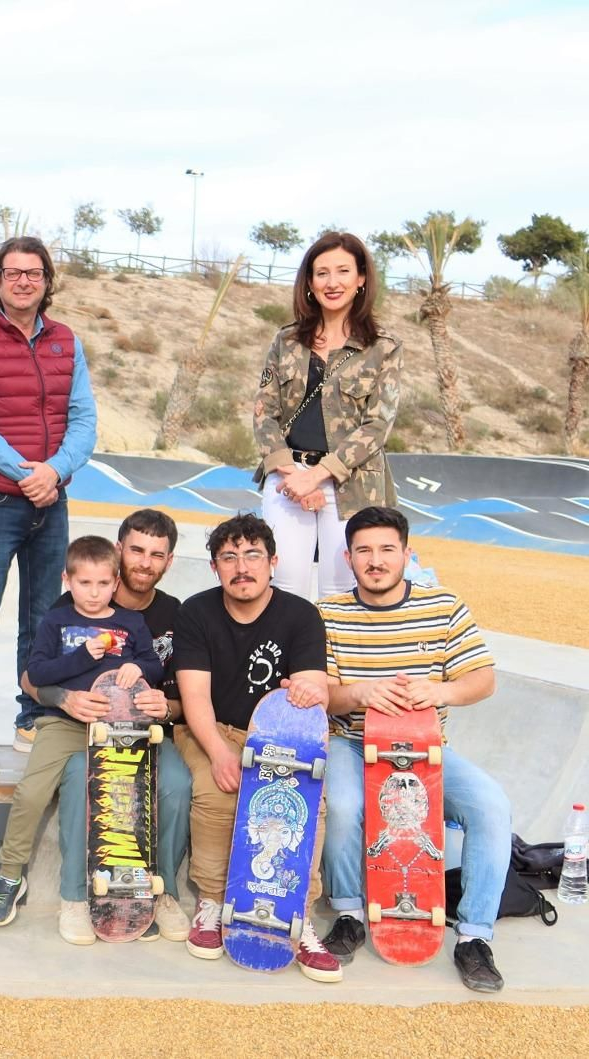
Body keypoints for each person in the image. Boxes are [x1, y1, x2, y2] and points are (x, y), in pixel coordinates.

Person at [317, 505, 508, 992]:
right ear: (348, 557)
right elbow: (325, 695)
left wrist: (440, 692)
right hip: (354, 743)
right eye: (364, 551)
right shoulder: (330, 614)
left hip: (426, 753)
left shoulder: (443, 607)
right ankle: (349, 913)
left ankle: (473, 937)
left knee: (491, 806)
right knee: (341, 805)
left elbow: (483, 679)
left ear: (406, 553)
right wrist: (357, 692)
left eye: (386, 550)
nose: (375, 560)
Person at [173, 512, 342, 982]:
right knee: (216, 791)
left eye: (252, 555)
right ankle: (210, 902)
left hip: (279, 734)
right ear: (215, 567)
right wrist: (222, 754)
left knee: (304, 806)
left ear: (273, 562)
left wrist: (311, 692)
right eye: (229, 557)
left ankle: (297, 916)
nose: (241, 566)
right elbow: (194, 701)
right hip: (213, 729)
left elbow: (313, 689)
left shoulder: (301, 614)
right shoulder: (195, 613)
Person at [15, 509, 194, 944]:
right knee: (80, 778)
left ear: (169, 562)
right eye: (136, 550)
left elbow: (184, 690)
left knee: (174, 784)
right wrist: (64, 698)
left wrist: (165, 706)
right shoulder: (70, 608)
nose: (144, 562)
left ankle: (162, 891)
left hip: (146, 729)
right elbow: (30, 676)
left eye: (156, 554)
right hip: (87, 729)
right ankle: (75, 896)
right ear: (119, 551)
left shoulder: (176, 612)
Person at [0, 236, 96, 772]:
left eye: (33, 273)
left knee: (42, 620)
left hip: (50, 503)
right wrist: (27, 474)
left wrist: (55, 471)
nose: (22, 281)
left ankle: (31, 715)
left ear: (46, 281)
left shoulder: (67, 342)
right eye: (12, 273)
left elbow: (83, 419)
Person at [0, 536, 161, 934]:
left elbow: (155, 665)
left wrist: (140, 669)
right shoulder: (56, 622)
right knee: (31, 793)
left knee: (126, 801)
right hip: (62, 725)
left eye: (102, 584)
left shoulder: (131, 624)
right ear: (67, 580)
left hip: (118, 729)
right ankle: (10, 874)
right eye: (84, 583)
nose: (94, 593)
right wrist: (83, 657)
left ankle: (129, 889)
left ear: (115, 583)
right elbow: (37, 674)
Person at [253, 231, 403, 600]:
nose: (331, 283)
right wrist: (296, 477)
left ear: (361, 278)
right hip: (287, 480)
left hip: (352, 485)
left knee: (344, 591)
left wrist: (319, 477)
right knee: (284, 589)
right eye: (321, 273)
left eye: (342, 271)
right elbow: (263, 414)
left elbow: (377, 426)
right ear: (309, 282)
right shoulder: (285, 341)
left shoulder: (383, 347)